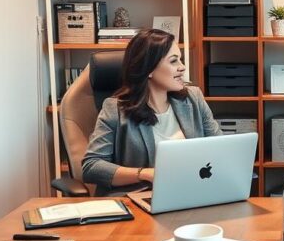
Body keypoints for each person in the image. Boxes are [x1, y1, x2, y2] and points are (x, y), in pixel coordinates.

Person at [81, 28, 221, 196]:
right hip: (140, 200)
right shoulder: (115, 109)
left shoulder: (193, 99)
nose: (182, 68)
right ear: (149, 69)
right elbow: (92, 167)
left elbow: (220, 149)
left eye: (181, 60)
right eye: (174, 61)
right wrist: (145, 174)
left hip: (191, 194)